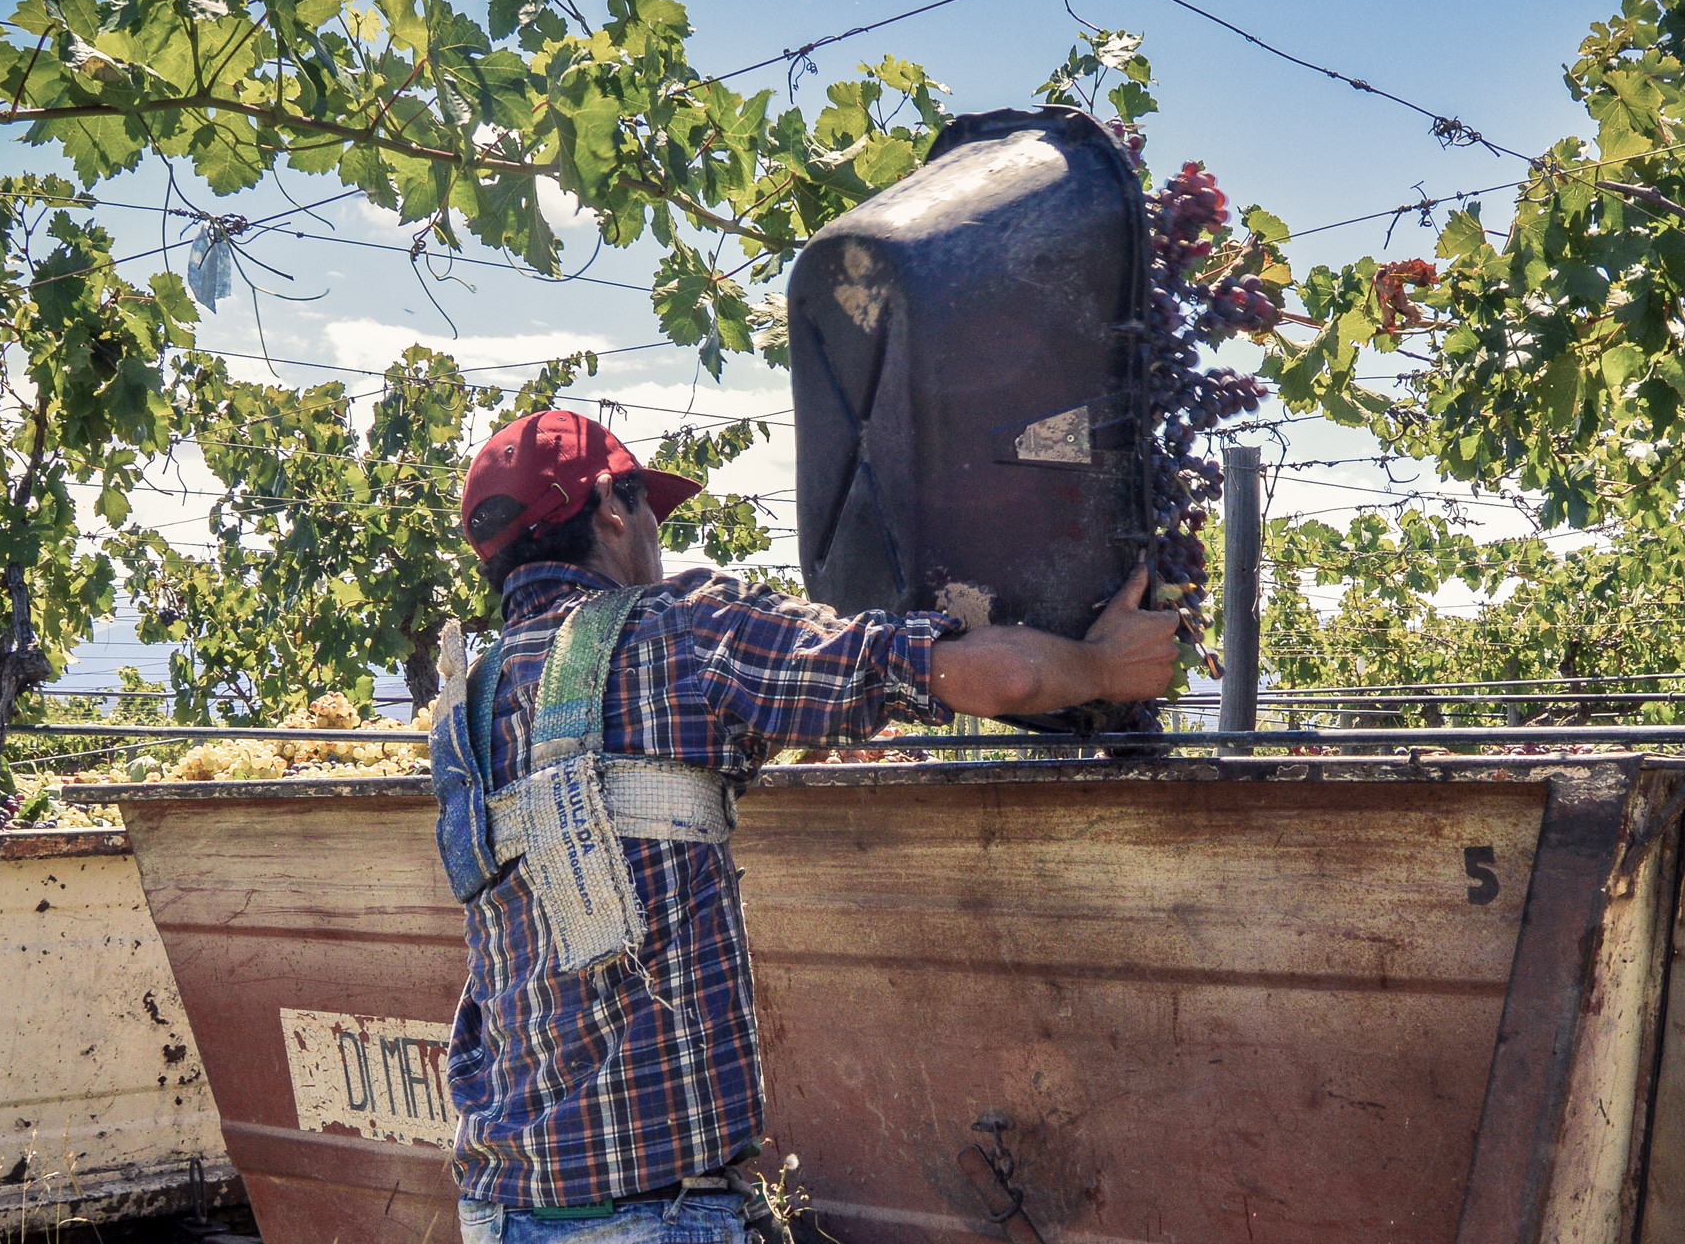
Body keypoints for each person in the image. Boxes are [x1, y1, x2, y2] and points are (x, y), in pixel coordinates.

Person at [434, 409, 1180, 1244]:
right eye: (651, 514)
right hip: (647, 1215)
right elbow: (985, 674)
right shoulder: (681, 632)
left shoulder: (465, 703)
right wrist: (1107, 666)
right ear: (612, 506)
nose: (656, 539)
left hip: (502, 1207)